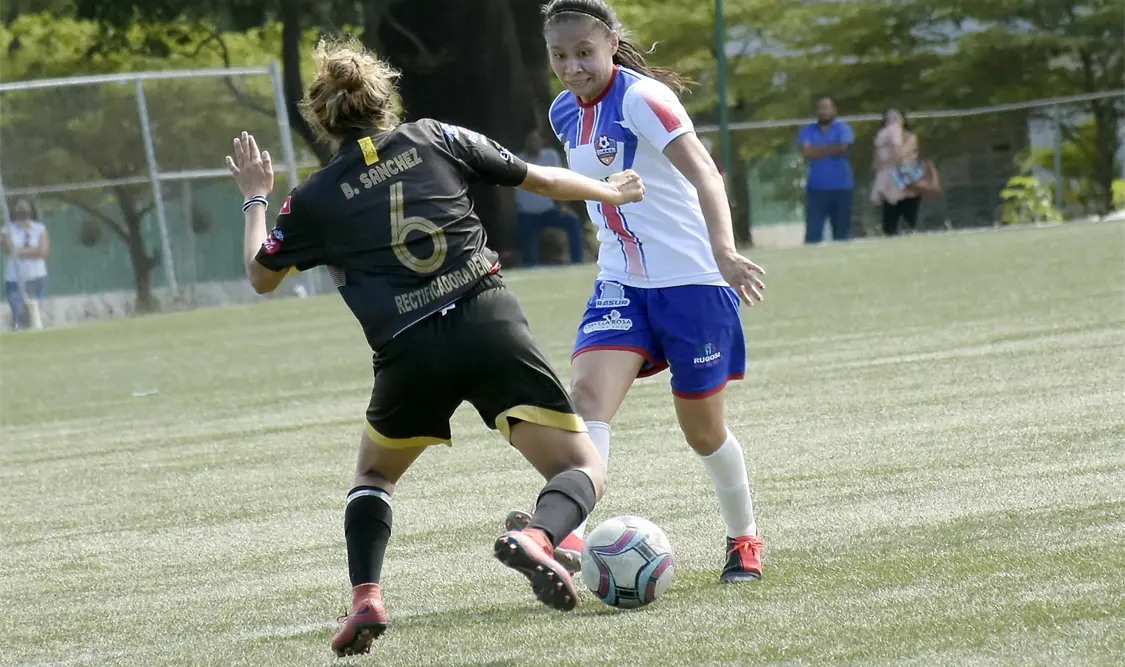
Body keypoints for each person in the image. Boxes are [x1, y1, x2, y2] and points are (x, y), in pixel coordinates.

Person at [224, 36, 645, 657]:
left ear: (322, 117)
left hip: (407, 349)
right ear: (383, 97)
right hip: (487, 321)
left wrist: (256, 198)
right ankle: (539, 537)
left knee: (373, 475)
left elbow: (261, 276)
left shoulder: (313, 197)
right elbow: (540, 179)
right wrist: (611, 191)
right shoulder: (433, 137)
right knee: (580, 469)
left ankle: (367, 595)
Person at [504, 0, 768, 585]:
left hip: (693, 284)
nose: (572, 68)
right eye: (559, 56)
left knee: (702, 430)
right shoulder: (562, 112)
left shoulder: (643, 99)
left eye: (583, 53)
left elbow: (704, 171)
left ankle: (744, 539)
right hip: (621, 282)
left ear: (610, 43)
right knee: (589, 399)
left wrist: (724, 252)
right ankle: (566, 533)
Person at [516, 129, 587, 266]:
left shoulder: (550, 156)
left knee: (572, 221)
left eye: (536, 140)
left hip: (549, 211)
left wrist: (563, 207)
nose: (533, 143)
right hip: (527, 214)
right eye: (530, 140)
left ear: (542, 142)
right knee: (525, 233)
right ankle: (530, 266)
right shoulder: (518, 160)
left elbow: (558, 182)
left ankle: (577, 262)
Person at [798, 95, 855, 243]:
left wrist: (817, 150)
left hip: (842, 187)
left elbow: (844, 148)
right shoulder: (808, 130)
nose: (824, 111)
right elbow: (806, 152)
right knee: (813, 234)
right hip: (816, 189)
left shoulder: (843, 128)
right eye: (820, 108)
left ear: (834, 110)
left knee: (842, 233)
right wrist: (832, 148)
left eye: (827, 107)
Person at [870, 108, 924, 236]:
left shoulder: (910, 137)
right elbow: (876, 163)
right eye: (889, 119)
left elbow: (900, 157)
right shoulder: (882, 139)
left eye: (896, 118)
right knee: (889, 220)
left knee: (909, 215)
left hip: (907, 177)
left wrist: (893, 145)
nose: (892, 121)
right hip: (889, 181)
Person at [1, 197, 50, 331]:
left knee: (35, 312)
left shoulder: (40, 229)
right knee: (18, 312)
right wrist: (33, 251)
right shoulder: (6, 230)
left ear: (30, 209)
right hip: (15, 277)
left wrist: (19, 251)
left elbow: (43, 251)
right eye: (19, 207)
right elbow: (9, 250)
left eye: (25, 206)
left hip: (36, 275)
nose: (22, 209)